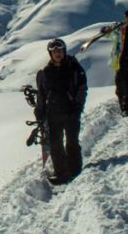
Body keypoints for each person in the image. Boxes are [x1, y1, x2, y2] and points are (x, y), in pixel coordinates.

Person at [35, 38, 88, 184]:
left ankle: (75, 170)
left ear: (64, 52)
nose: (57, 54)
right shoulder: (46, 72)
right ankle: (61, 173)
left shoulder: (74, 68)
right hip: (53, 112)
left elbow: (82, 89)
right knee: (55, 143)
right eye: (54, 52)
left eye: (60, 51)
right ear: (50, 54)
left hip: (71, 111)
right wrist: (39, 111)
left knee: (71, 141)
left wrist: (78, 106)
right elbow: (42, 93)